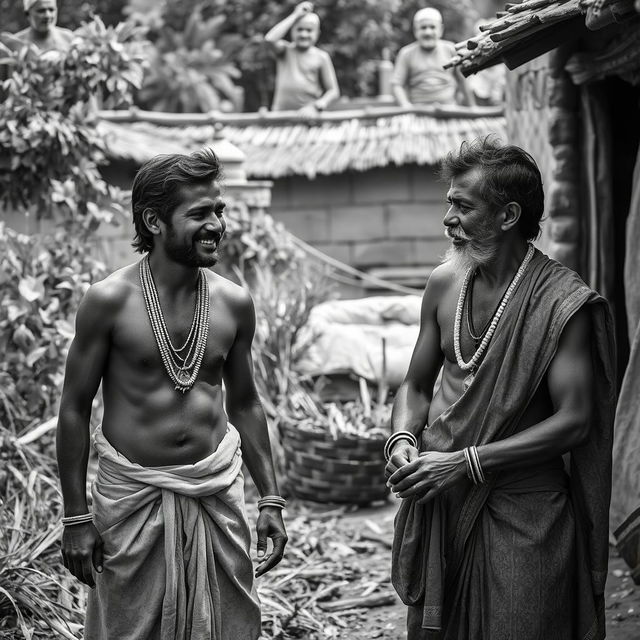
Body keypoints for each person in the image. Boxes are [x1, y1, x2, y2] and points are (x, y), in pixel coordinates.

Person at [385, 138, 616, 639]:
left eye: (463, 206)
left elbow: (575, 420)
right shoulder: (444, 283)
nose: (448, 218)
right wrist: (403, 438)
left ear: (508, 214)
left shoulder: (562, 303)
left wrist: (466, 461)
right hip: (440, 505)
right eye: (449, 202)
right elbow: (416, 384)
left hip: (525, 516)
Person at [56, 148, 288, 639]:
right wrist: (76, 516)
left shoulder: (232, 302)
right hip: (132, 505)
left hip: (214, 494)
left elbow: (245, 402)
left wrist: (271, 497)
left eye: (219, 211)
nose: (217, 225)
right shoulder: (109, 302)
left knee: (226, 626)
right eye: (199, 214)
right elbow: (74, 409)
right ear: (154, 221)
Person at [265, 1, 340, 118]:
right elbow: (269, 40)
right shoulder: (285, 50)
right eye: (299, 29)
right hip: (280, 116)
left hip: (308, 117)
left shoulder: (321, 57)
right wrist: (295, 15)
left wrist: (316, 106)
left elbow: (333, 91)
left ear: (318, 33)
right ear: (292, 31)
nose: (304, 34)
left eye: (309, 30)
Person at [392, 8, 475, 108]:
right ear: (415, 30)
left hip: (449, 110)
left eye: (432, 27)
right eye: (423, 27)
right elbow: (397, 85)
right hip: (418, 112)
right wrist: (406, 106)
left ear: (441, 29)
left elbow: (463, 81)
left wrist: (472, 107)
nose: (428, 32)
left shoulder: (451, 50)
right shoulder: (406, 53)